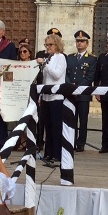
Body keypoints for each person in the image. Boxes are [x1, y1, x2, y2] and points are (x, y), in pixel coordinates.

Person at [37, 32, 67, 164]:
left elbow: (57, 75)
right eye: (46, 45)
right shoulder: (48, 58)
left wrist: (45, 65)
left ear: (57, 45)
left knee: (56, 127)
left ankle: (57, 154)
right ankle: (48, 153)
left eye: (50, 45)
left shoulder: (61, 58)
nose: (48, 47)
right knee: (47, 126)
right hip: (46, 96)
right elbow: (45, 79)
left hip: (56, 97)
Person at [66, 30, 97, 152]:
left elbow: (90, 77)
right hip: (71, 94)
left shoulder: (91, 59)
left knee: (83, 120)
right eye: (78, 41)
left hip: (83, 94)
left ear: (87, 44)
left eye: (82, 41)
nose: (79, 43)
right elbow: (66, 74)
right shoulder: (70, 58)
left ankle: (81, 143)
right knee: (71, 120)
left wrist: (78, 88)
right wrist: (70, 86)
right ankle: (71, 141)